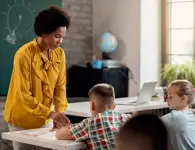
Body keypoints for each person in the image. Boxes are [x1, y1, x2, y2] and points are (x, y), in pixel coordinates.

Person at [4, 5, 70, 150]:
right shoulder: (23, 55)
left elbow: (60, 87)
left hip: (46, 117)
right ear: (43, 33)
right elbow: (24, 95)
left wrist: (59, 114)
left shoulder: (59, 54)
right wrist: (51, 113)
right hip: (21, 120)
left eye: (62, 37)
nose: (60, 41)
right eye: (56, 36)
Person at [55, 83, 131, 150]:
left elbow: (59, 135)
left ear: (93, 106)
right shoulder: (128, 119)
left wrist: (63, 127)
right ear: (114, 106)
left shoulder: (91, 123)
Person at [161, 80, 195, 150]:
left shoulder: (175, 117)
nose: (167, 99)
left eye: (170, 97)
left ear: (183, 99)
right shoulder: (193, 114)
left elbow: (151, 124)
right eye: (167, 96)